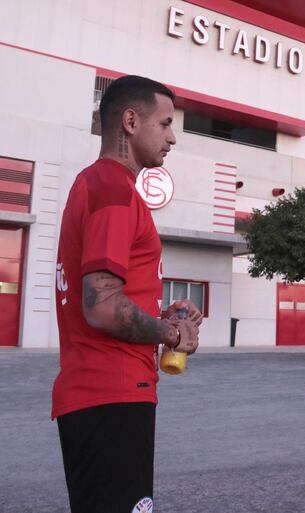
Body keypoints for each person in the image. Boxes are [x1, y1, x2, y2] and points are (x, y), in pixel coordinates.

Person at [53, 75, 201, 513]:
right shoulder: (112, 188)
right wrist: (171, 334)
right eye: (167, 123)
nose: (173, 137)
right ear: (131, 121)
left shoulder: (102, 187)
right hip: (110, 395)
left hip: (106, 394)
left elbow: (112, 297)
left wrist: (165, 313)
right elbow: (100, 307)